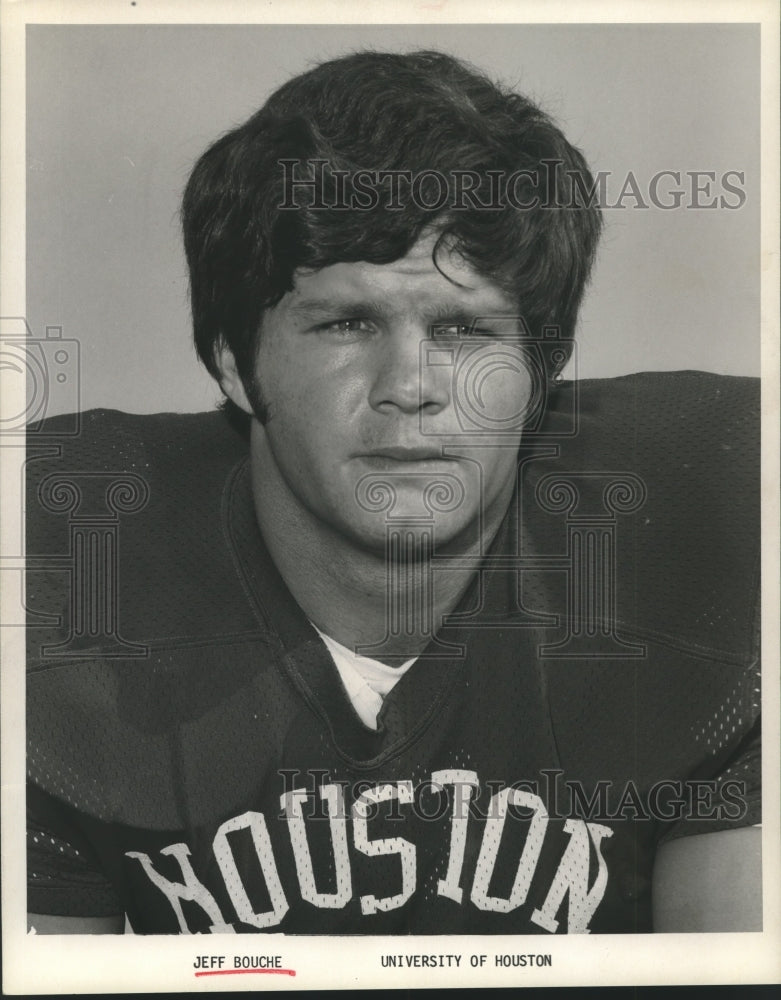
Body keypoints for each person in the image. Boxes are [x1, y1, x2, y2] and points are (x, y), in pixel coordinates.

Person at [25, 49, 760, 935]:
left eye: (462, 327)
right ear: (231, 359)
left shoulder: (715, 514)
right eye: (346, 322)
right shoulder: (70, 556)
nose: (408, 384)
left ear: (539, 369)